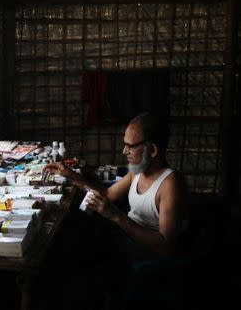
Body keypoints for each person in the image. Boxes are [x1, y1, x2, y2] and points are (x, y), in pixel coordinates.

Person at [38, 112, 189, 309]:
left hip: (145, 249)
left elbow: (165, 246)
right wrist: (71, 175)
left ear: (152, 150)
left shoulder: (170, 184)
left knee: (84, 257)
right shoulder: (138, 171)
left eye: (130, 146)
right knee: (72, 234)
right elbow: (107, 195)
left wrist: (116, 216)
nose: (124, 151)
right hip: (125, 234)